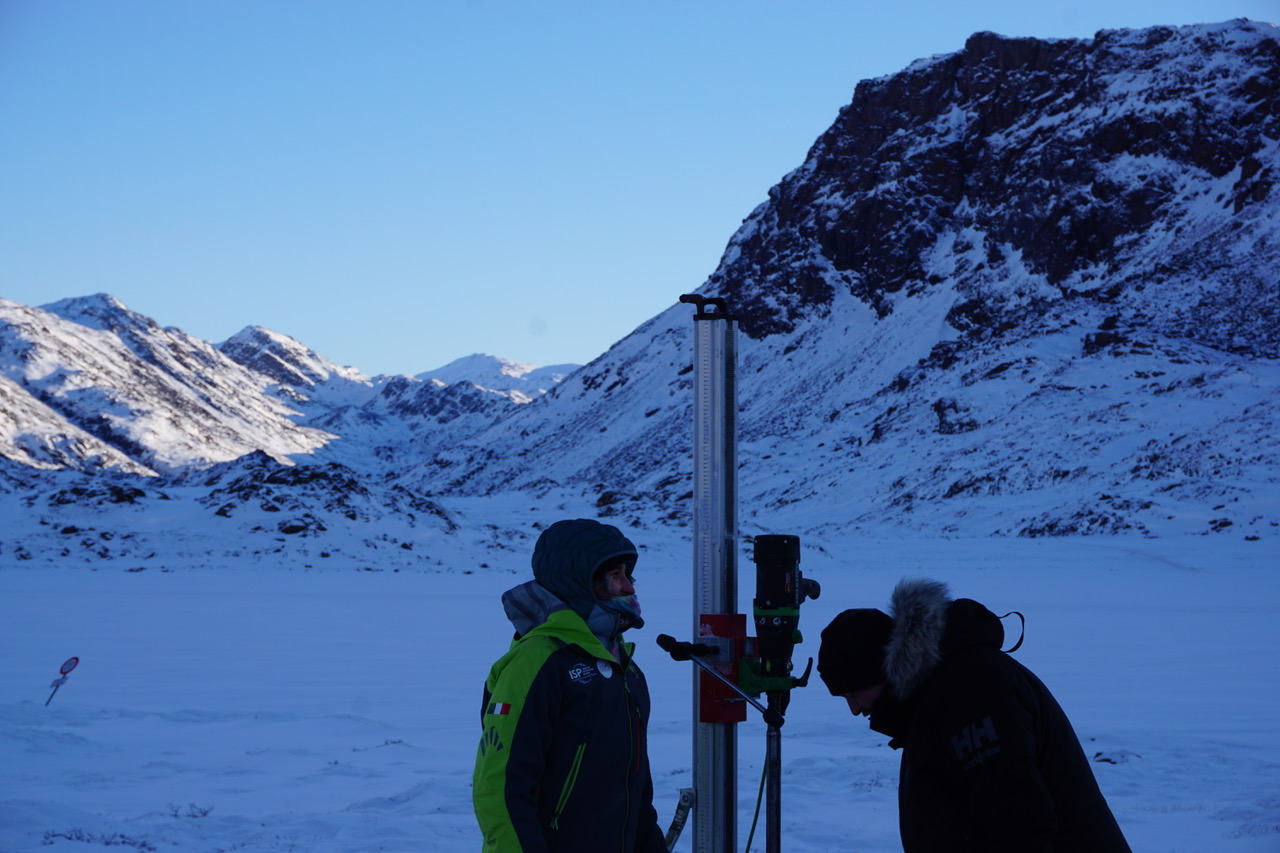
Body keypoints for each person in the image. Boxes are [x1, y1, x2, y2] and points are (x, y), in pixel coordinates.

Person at [817, 577, 1132, 852]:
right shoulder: (936, 696)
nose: (855, 709)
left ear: (887, 670)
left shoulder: (972, 692)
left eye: (853, 693)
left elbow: (1018, 825)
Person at [472, 518, 668, 853]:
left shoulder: (624, 667)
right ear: (581, 581)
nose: (629, 587)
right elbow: (501, 788)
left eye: (628, 574)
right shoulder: (538, 661)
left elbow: (635, 784)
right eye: (616, 576)